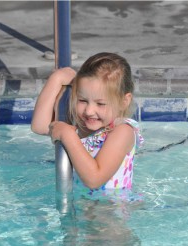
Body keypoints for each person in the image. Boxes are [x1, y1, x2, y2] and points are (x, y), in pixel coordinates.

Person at [31, 52, 143, 196]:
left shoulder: (123, 132)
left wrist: (67, 135)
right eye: (82, 100)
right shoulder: (82, 124)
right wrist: (56, 79)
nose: (89, 111)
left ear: (124, 102)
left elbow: (94, 179)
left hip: (111, 212)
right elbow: (39, 126)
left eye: (100, 103)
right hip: (82, 206)